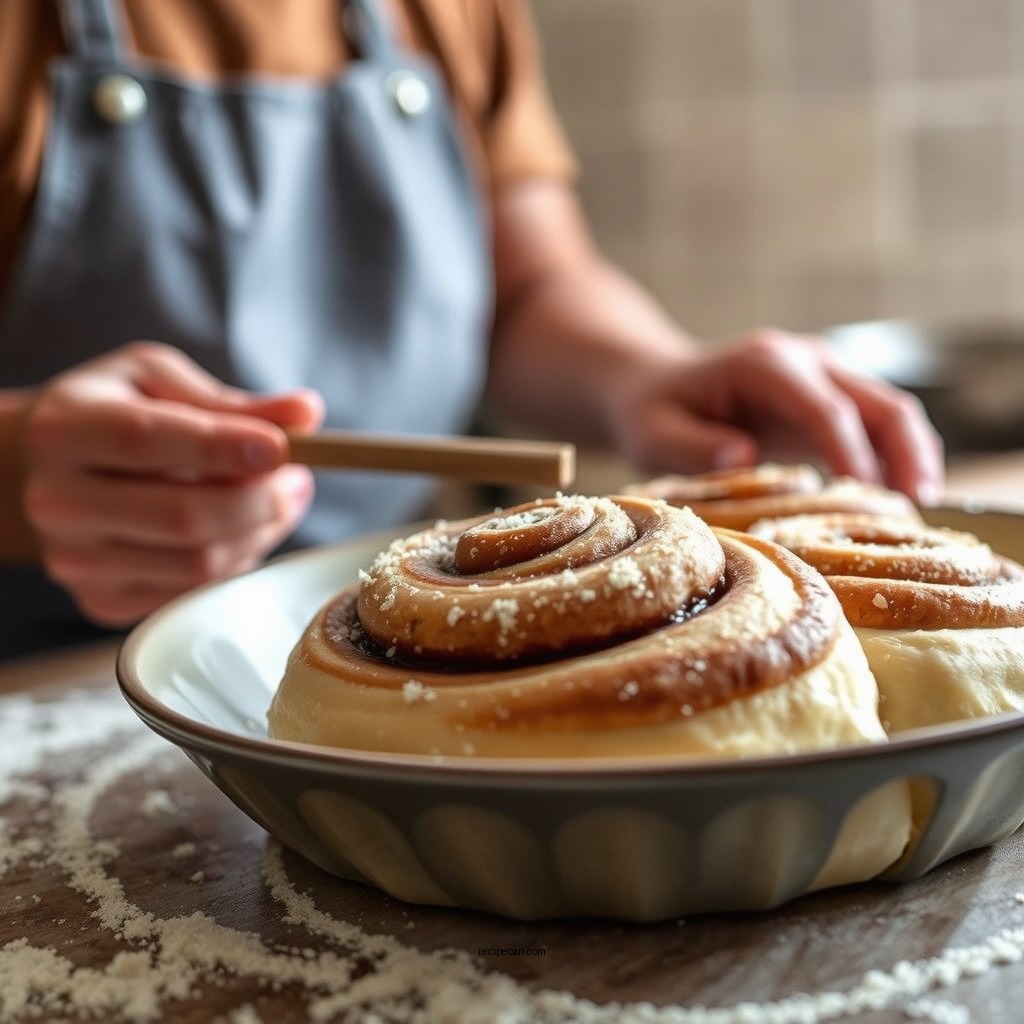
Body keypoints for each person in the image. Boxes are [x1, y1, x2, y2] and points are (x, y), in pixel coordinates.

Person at [0, 0, 943, 661]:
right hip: (38, 674)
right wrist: (16, 469)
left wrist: (648, 374)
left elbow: (529, 283)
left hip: (378, 636)